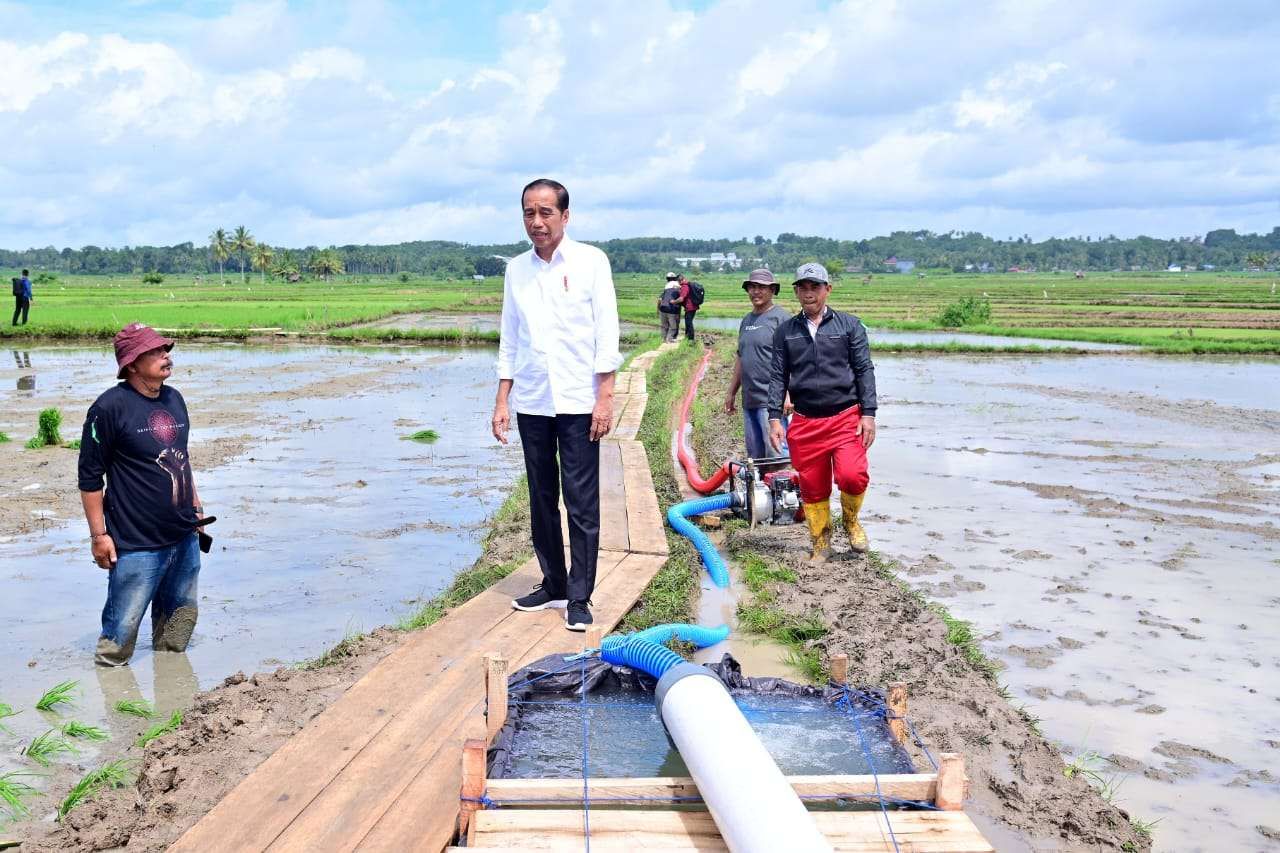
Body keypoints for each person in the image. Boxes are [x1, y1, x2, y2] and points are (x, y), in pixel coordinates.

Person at [493, 178, 622, 632]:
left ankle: (580, 595)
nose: (537, 221)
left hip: (578, 401)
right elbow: (511, 337)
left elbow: (606, 333)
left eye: (546, 212)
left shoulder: (590, 262)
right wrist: (502, 399)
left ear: (565, 217)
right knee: (542, 496)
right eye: (529, 212)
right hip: (532, 399)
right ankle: (553, 582)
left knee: (581, 501)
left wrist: (604, 397)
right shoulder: (516, 271)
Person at [77, 323, 209, 665]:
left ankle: (175, 708)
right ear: (132, 364)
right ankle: (118, 711)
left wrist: (197, 510)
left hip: (183, 536)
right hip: (136, 545)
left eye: (166, 349)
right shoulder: (108, 409)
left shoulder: (174, 398)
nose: (166, 355)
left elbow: (183, 459)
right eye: (154, 351)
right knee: (117, 646)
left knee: (175, 638)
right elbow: (90, 478)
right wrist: (99, 536)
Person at [767, 263, 877, 563]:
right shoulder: (786, 332)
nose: (808, 293)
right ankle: (820, 541)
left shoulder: (849, 326)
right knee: (813, 486)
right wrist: (774, 417)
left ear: (827, 289)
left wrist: (869, 413)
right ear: (796, 291)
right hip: (805, 421)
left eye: (815, 286)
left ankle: (851, 522)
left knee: (853, 475)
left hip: (845, 417)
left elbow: (864, 370)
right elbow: (778, 376)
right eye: (802, 287)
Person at [724, 269, 791, 459]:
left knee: (777, 453)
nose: (755, 292)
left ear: (772, 290)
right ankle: (761, 488)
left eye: (761, 287)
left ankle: (783, 488)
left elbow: (792, 359)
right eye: (752, 287)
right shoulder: (746, 320)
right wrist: (731, 392)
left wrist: (787, 394)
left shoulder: (782, 318)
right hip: (750, 399)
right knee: (756, 457)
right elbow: (741, 357)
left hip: (772, 401)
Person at [658, 272, 682, 342]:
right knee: (673, 326)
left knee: (664, 325)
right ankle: (670, 338)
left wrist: (658, 309)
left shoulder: (666, 286)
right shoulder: (678, 285)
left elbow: (660, 299)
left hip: (663, 307)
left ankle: (663, 339)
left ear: (667, 279)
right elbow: (681, 298)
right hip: (672, 308)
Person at [676, 274, 699, 341]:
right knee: (688, 322)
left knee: (689, 322)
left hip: (690, 307)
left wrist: (673, 302)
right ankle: (687, 336)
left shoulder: (684, 286)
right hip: (693, 306)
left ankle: (691, 339)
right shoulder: (687, 284)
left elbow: (681, 299)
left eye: (678, 281)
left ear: (679, 281)